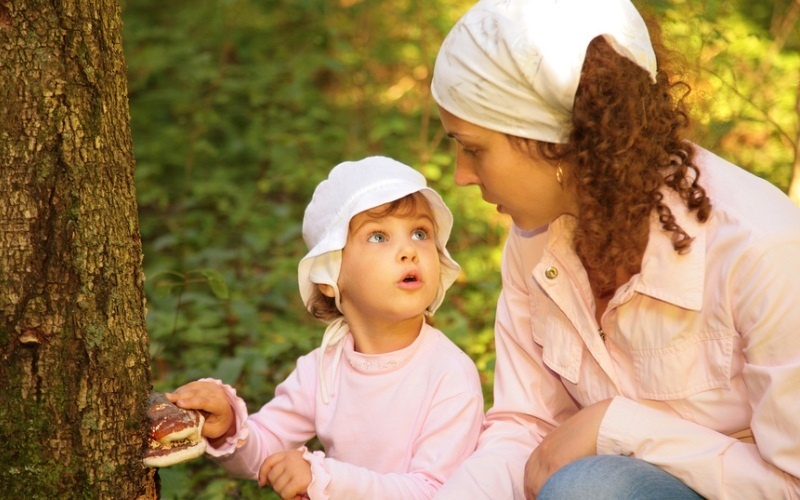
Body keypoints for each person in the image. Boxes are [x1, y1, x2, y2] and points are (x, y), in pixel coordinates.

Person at [429, 0, 800, 498]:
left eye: (473, 148)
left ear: (557, 142)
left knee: (592, 489)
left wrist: (617, 426)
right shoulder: (535, 242)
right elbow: (526, 427)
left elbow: (791, 481)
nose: (461, 175)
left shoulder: (763, 250)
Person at [167, 156, 484, 499]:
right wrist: (228, 425)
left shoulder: (449, 375)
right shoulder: (323, 369)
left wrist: (326, 479)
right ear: (330, 276)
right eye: (378, 237)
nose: (409, 250)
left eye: (420, 233)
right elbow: (265, 450)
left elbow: (436, 491)